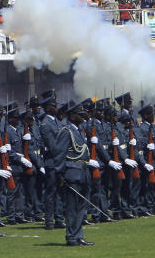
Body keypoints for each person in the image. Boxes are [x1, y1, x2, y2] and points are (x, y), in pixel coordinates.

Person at [54, 102, 95, 246]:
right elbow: (59, 154)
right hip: (71, 173)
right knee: (72, 208)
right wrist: (60, 174)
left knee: (81, 208)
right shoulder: (66, 131)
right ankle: (71, 237)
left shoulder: (78, 130)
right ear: (72, 116)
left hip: (82, 172)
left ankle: (79, 236)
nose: (83, 116)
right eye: (79, 114)